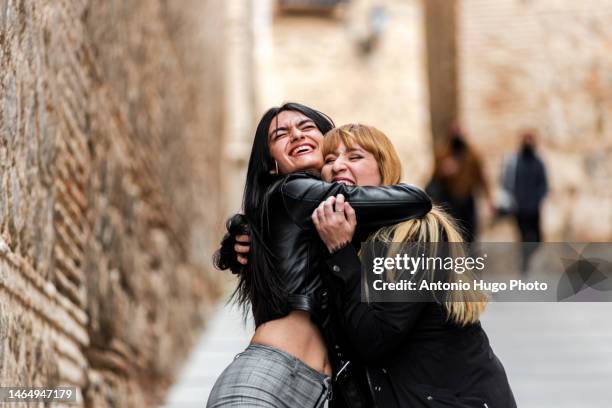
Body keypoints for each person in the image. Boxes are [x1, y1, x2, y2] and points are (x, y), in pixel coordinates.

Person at [207, 104, 432, 408]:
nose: (297, 134)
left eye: (306, 126)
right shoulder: (295, 189)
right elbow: (416, 200)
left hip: (314, 390)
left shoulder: (325, 225)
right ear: (272, 164)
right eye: (280, 134)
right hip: (267, 380)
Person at [312, 124, 517, 407]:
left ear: (385, 168)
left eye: (354, 157)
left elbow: (375, 339)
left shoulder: (415, 234)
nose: (338, 166)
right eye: (329, 159)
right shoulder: (352, 235)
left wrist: (340, 252)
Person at [428, 122, 493, 242]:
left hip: (467, 200)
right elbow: (433, 178)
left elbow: (481, 178)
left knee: (470, 236)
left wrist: (489, 200)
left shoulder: (472, 155)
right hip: (448, 200)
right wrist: (444, 170)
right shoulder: (442, 153)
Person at [500, 130, 548, 273]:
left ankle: (526, 258)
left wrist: (538, 199)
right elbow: (507, 183)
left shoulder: (538, 162)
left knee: (538, 239)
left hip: (534, 208)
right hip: (519, 208)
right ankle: (524, 264)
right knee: (523, 238)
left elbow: (543, 184)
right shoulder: (514, 162)